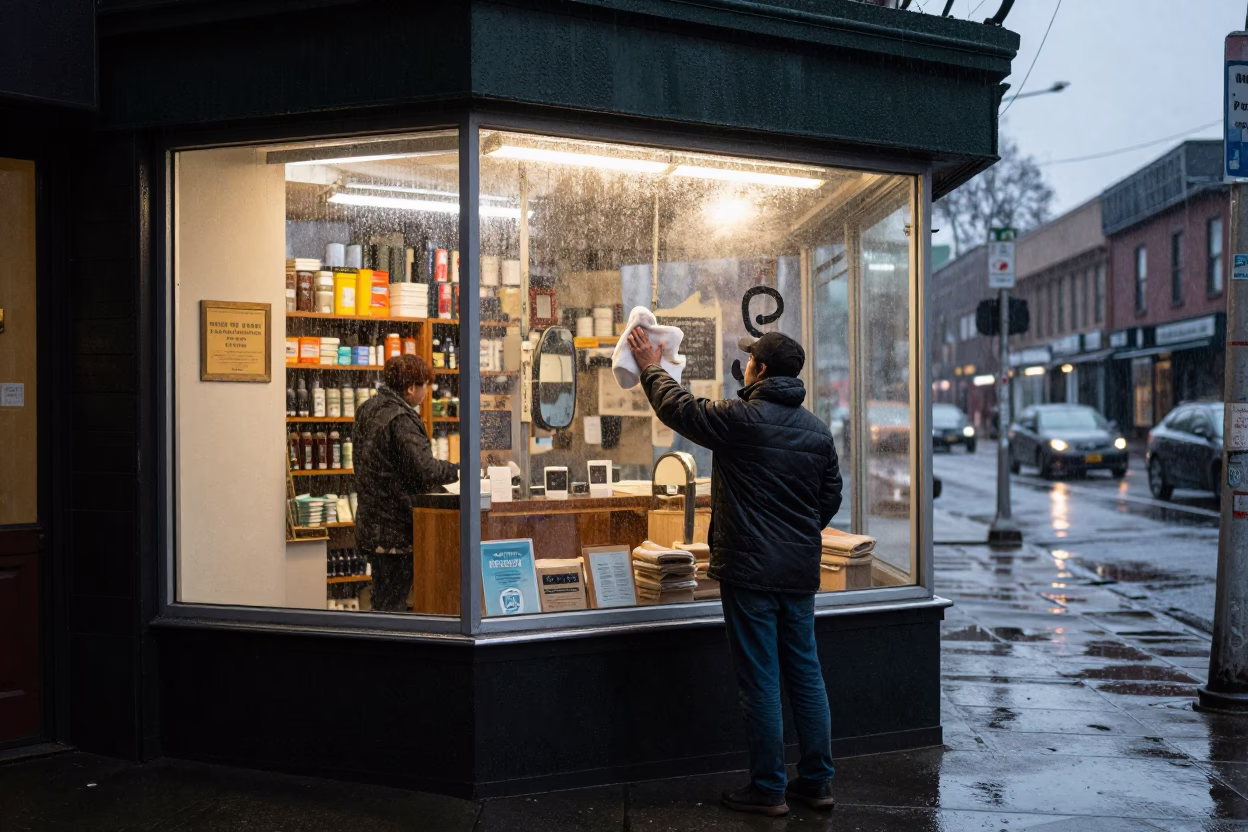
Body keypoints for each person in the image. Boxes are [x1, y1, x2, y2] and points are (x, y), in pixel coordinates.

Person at [628, 328, 842, 817]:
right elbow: (830, 498)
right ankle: (817, 783)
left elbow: (680, 408)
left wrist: (650, 366)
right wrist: (798, 533)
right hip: (798, 571)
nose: (745, 366)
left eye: (750, 361)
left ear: (760, 371)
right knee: (806, 675)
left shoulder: (742, 419)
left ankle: (768, 787)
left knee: (761, 679)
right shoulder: (817, 430)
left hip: (749, 571)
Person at [353, 353, 459, 612]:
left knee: (383, 599)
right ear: (412, 387)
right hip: (395, 529)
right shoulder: (400, 418)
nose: (426, 392)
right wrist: (459, 472)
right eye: (425, 385)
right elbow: (424, 469)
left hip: (372, 523)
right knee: (393, 606)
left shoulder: (369, 408)